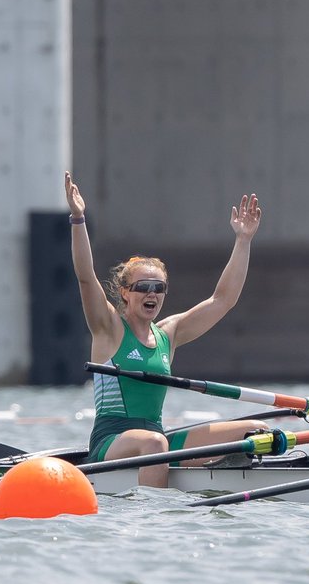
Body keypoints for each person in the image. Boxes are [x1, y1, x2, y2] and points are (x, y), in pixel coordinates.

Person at [65, 171, 269, 487]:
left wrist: (243, 240)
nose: (152, 294)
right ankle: (156, 519)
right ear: (124, 292)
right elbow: (86, 277)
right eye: (143, 287)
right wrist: (78, 220)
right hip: (112, 442)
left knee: (256, 432)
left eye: (159, 288)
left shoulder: (168, 334)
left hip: (157, 439)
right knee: (154, 444)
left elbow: (222, 300)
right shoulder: (108, 329)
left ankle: (216, 484)